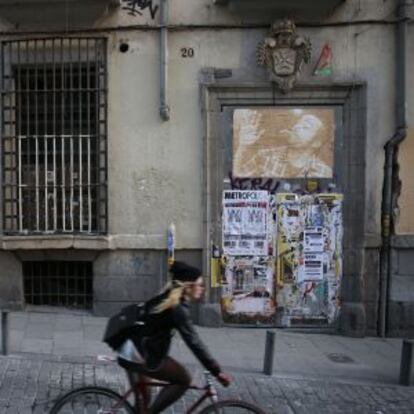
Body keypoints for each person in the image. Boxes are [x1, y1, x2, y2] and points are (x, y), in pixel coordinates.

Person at [117, 261, 231, 414]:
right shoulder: (177, 308)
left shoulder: (167, 298)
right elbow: (193, 341)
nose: (202, 289)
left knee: (143, 404)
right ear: (188, 286)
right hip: (139, 353)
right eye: (200, 285)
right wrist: (216, 370)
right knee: (183, 379)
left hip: (131, 348)